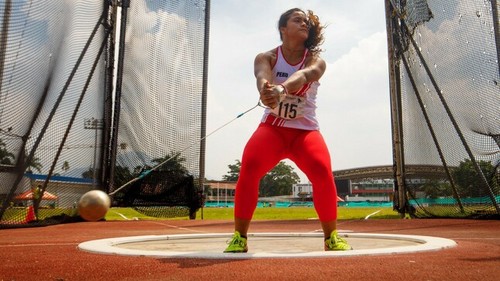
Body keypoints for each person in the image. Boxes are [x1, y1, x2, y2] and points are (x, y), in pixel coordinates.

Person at [224, 8, 352, 253]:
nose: (303, 23)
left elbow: (305, 76)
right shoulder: (267, 56)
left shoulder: (315, 60)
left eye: (306, 21)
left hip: (305, 132)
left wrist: (281, 90)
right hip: (273, 129)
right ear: (283, 28)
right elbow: (262, 76)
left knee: (323, 171)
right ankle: (239, 237)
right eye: (297, 20)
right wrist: (265, 90)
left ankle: (331, 237)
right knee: (249, 167)